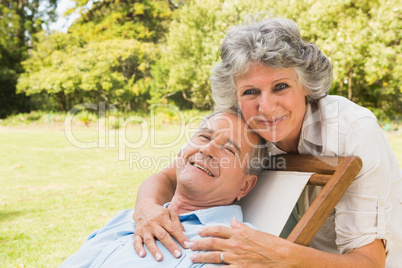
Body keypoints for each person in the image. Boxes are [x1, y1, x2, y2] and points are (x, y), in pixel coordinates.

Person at [132, 16, 402, 267]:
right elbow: (169, 177)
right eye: (250, 92)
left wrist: (277, 253)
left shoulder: (352, 131)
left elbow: (369, 262)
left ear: (306, 85)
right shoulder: (239, 125)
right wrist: (146, 207)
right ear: (236, 97)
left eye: (281, 87)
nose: (266, 107)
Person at [60, 111, 268, 267]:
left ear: (245, 185)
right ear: (181, 154)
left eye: (229, 149)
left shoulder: (233, 245)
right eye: (204, 137)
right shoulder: (130, 217)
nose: (207, 150)